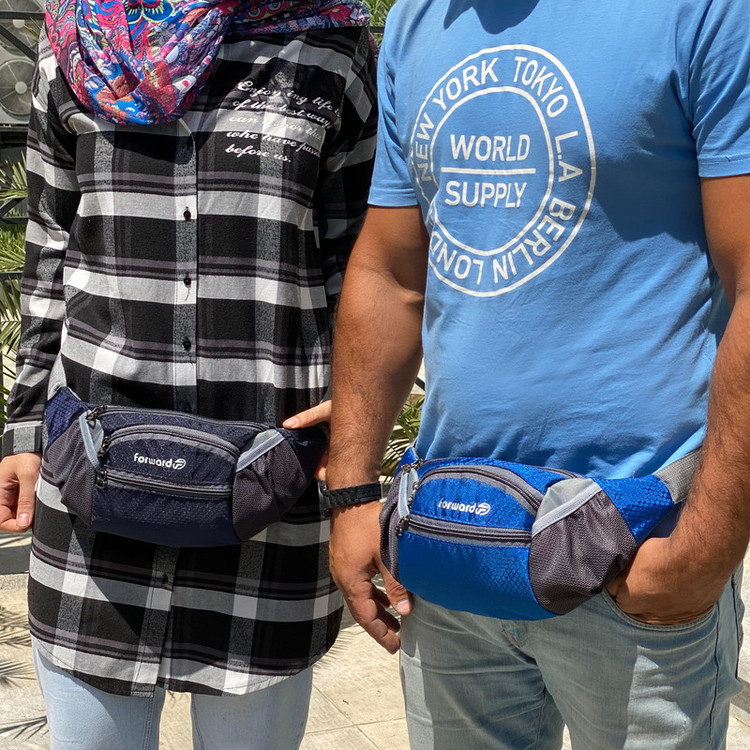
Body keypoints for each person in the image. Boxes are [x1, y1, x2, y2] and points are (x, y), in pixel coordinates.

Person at [325, 0, 750, 747]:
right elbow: (389, 271)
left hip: (634, 546)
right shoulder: (420, 22)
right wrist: (353, 493)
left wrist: (703, 551)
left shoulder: (707, 12)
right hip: (451, 543)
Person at [0, 0, 377, 747]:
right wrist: (23, 425)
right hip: (91, 486)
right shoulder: (75, 44)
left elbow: (362, 267)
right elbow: (48, 249)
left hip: (268, 485)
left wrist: (356, 441)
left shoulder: (331, 49)